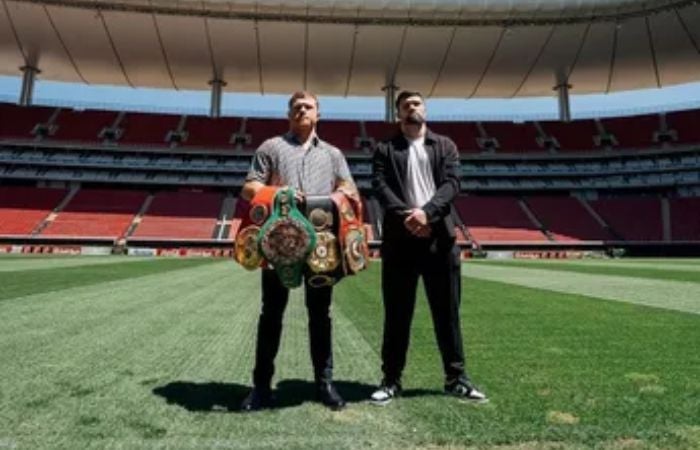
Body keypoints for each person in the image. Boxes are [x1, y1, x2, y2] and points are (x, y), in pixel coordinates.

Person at [239, 91, 358, 412]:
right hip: (278, 244)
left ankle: (325, 384)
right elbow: (250, 187)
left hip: (322, 248)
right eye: (296, 107)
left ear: (318, 114)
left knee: (321, 316)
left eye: (308, 107)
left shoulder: (333, 154)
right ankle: (261, 387)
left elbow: (350, 189)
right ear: (288, 114)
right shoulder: (271, 147)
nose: (302, 111)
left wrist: (336, 197)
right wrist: (282, 192)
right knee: (271, 314)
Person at [370, 90, 487, 405]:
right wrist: (407, 215)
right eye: (406, 105)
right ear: (398, 114)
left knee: (447, 313)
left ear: (425, 109)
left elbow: (453, 184)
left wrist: (427, 213)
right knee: (397, 314)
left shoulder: (445, 145)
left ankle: (456, 378)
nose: (412, 107)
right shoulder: (384, 148)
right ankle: (391, 380)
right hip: (399, 242)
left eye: (417, 103)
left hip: (440, 241)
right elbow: (379, 186)